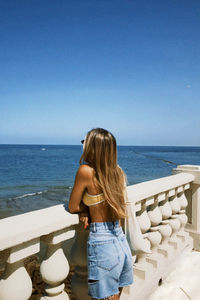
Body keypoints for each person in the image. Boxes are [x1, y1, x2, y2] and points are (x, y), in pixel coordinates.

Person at [68, 128, 133, 300]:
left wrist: (84, 209)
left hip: (103, 241)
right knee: (115, 296)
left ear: (92, 147)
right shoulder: (117, 172)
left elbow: (72, 206)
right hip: (119, 239)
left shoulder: (86, 171)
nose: (83, 145)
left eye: (85, 142)